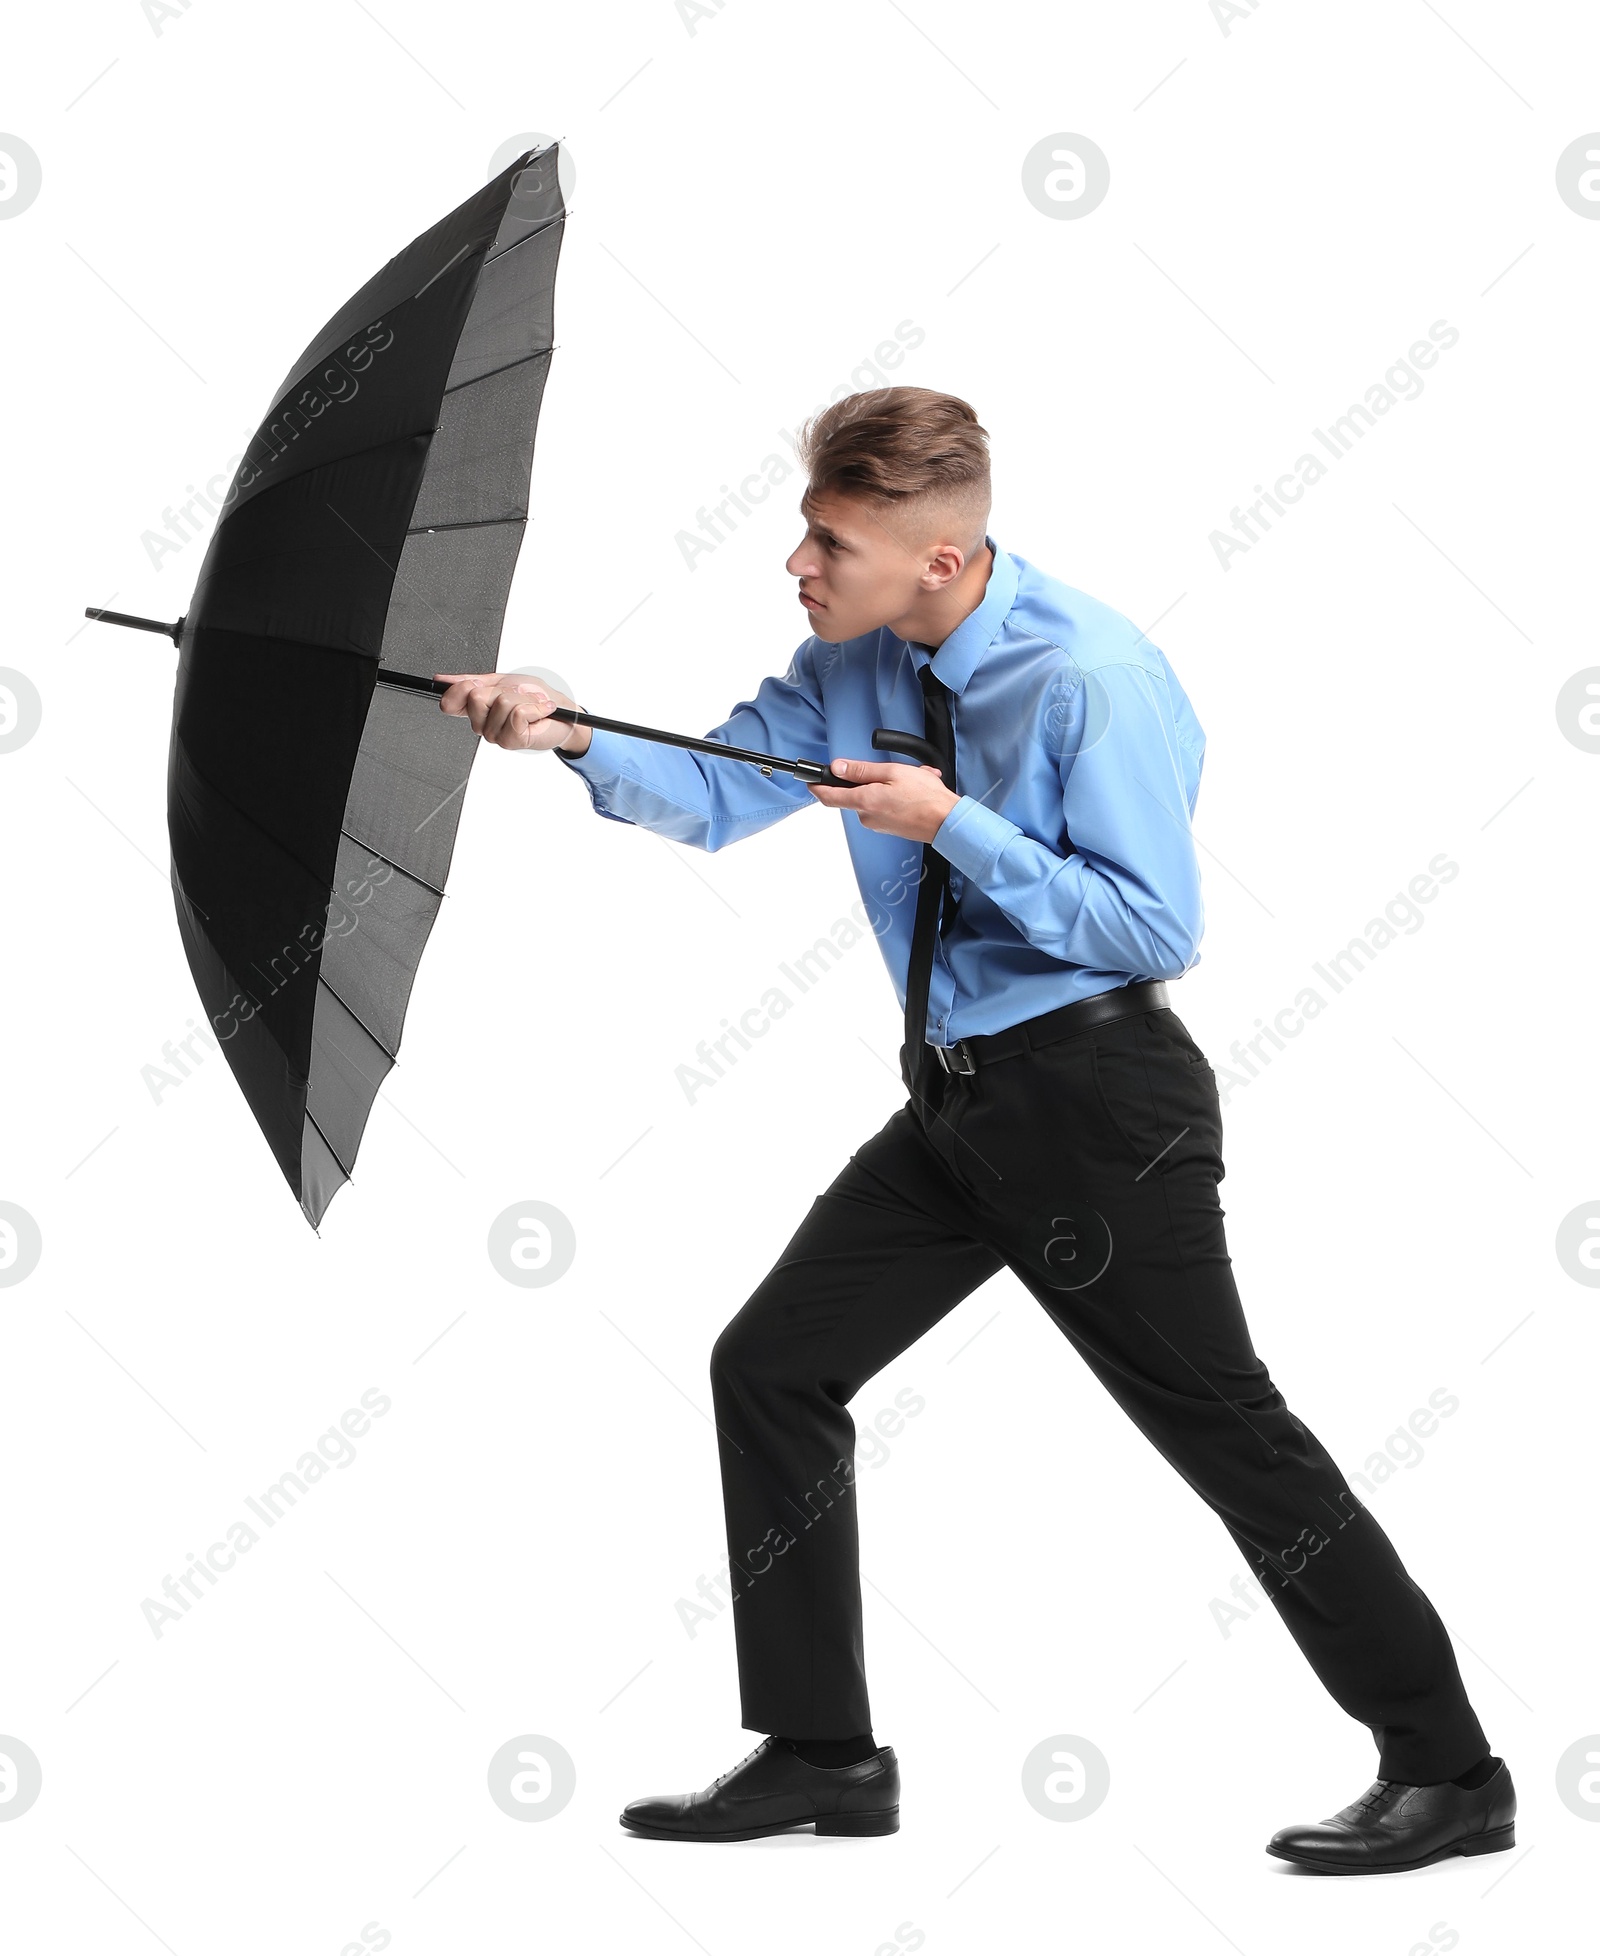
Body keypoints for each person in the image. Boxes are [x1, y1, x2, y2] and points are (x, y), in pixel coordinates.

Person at [437, 386, 1514, 1870]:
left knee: (1226, 1434)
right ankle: (824, 1753)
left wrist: (956, 822)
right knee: (773, 1365)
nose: (799, 567)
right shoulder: (847, 662)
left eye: (831, 543)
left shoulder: (1091, 677)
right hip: (954, 1103)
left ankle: (1451, 1772)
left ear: (940, 560)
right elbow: (716, 790)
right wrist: (562, 734)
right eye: (808, 534)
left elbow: (1151, 927)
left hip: (1095, 1104)